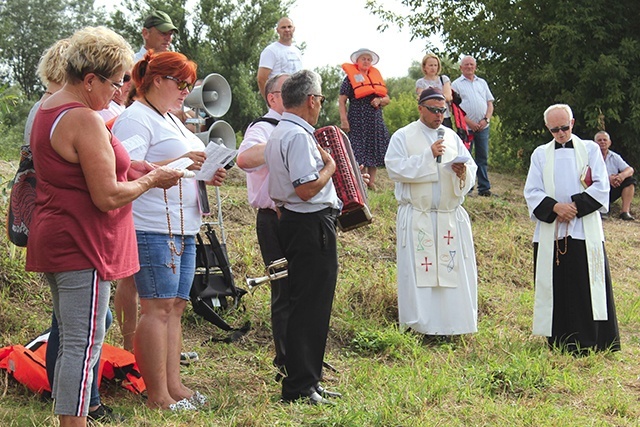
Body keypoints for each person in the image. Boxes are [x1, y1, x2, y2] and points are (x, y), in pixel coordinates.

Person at [25, 26, 183, 427]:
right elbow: (107, 195)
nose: (117, 94)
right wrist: (152, 181)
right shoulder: (84, 119)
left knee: (71, 338)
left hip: (57, 237)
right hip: (84, 243)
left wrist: (145, 167)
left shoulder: (49, 107)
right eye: (113, 84)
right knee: (83, 344)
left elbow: (95, 165)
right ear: (89, 78)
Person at [112, 50, 227, 411]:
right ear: (156, 80)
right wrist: (181, 162)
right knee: (156, 308)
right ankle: (157, 394)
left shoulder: (171, 119)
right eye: (180, 83)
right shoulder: (135, 118)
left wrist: (208, 171)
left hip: (183, 224)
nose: (185, 91)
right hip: (151, 226)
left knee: (175, 306)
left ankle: (173, 385)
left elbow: (184, 165)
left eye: (190, 85)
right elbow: (125, 166)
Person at [264, 69, 342, 405]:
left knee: (306, 305)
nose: (321, 104)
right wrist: (330, 168)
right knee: (311, 306)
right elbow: (307, 189)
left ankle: (307, 379)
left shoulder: (283, 132)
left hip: (296, 222)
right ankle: (301, 385)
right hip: (310, 224)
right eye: (321, 99)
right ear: (311, 100)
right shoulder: (296, 136)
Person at [523, 104, 620, 355]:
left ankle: (593, 340)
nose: (561, 133)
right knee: (557, 285)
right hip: (552, 229)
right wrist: (555, 208)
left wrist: (575, 207)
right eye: (555, 129)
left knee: (586, 285)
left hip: (583, 228)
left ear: (573, 123)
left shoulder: (589, 149)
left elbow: (601, 186)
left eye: (564, 127)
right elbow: (532, 191)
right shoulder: (540, 154)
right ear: (548, 128)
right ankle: (559, 341)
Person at [384, 87, 478, 342]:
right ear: (420, 108)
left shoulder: (451, 136)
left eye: (442, 110)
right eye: (434, 110)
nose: (439, 115)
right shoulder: (404, 136)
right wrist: (428, 156)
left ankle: (451, 325)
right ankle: (420, 326)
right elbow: (394, 168)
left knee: (451, 270)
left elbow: (471, 168)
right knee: (420, 273)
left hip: (448, 215)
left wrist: (462, 172)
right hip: (419, 216)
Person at [237, 73, 290, 378]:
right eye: (290, 91)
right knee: (283, 289)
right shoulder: (263, 127)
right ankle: (285, 362)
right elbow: (244, 159)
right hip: (274, 218)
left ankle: (303, 357)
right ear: (273, 98)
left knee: (304, 288)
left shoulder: (299, 128)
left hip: (301, 217)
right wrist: (281, 144)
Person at [339, 48, 390, 190]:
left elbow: (387, 98)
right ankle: (361, 181)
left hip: (374, 119)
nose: (366, 61)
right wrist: (344, 120)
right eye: (363, 59)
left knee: (373, 148)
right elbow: (342, 100)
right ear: (357, 61)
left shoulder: (376, 77)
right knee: (358, 149)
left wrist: (379, 101)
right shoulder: (350, 78)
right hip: (356, 119)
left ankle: (372, 182)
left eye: (368, 59)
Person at [451, 55, 494, 196]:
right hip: (465, 128)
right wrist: (469, 122)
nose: (469, 67)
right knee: (466, 158)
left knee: (482, 158)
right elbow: (454, 108)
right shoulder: (456, 85)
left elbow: (490, 103)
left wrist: (485, 120)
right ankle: (467, 187)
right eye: (466, 65)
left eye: (471, 64)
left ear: (475, 67)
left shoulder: (482, 83)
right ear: (461, 68)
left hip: (483, 127)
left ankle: (484, 188)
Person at [595, 130, 635, 220]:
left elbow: (630, 169)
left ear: (609, 143)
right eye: (599, 140)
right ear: (595, 143)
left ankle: (625, 212)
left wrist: (620, 176)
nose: (602, 142)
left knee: (630, 181)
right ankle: (600, 210)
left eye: (605, 140)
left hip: (611, 188)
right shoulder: (589, 157)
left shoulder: (614, 156)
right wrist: (607, 179)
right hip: (596, 189)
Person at [257, 17, 302, 98]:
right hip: (279, 100)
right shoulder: (271, 51)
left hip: (296, 100)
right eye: (283, 27)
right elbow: (261, 79)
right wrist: (270, 101)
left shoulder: (297, 52)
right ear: (277, 30)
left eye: (289, 27)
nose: (287, 30)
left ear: (294, 29)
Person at [415, 53, 454, 128]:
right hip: (429, 118)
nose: (433, 68)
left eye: (435, 65)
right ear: (424, 67)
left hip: (444, 117)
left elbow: (448, 96)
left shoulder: (444, 79)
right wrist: (440, 97)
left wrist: (432, 99)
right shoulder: (420, 82)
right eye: (430, 65)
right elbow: (423, 98)